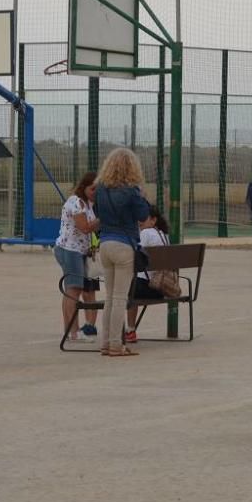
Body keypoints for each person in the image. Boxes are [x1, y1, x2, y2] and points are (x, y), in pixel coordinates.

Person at [94, 148, 150, 357]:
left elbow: (98, 213)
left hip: (105, 244)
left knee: (109, 297)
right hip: (124, 244)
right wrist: (142, 197)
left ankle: (106, 342)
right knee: (119, 297)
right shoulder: (131, 191)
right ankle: (117, 344)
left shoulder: (100, 189)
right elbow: (143, 217)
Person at [53, 172, 101, 342]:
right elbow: (85, 228)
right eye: (92, 188)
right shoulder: (76, 202)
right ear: (84, 187)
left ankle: (70, 329)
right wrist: (104, 218)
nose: (95, 192)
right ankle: (73, 331)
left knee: (72, 289)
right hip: (69, 249)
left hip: (80, 251)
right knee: (74, 289)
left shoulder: (89, 204)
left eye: (98, 189)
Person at [124, 205, 171, 343]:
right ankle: (130, 330)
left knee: (125, 287)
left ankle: (130, 329)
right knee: (132, 285)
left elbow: (133, 255)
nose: (139, 221)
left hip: (146, 286)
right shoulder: (164, 235)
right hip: (161, 288)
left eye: (143, 219)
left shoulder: (145, 233)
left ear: (153, 220)